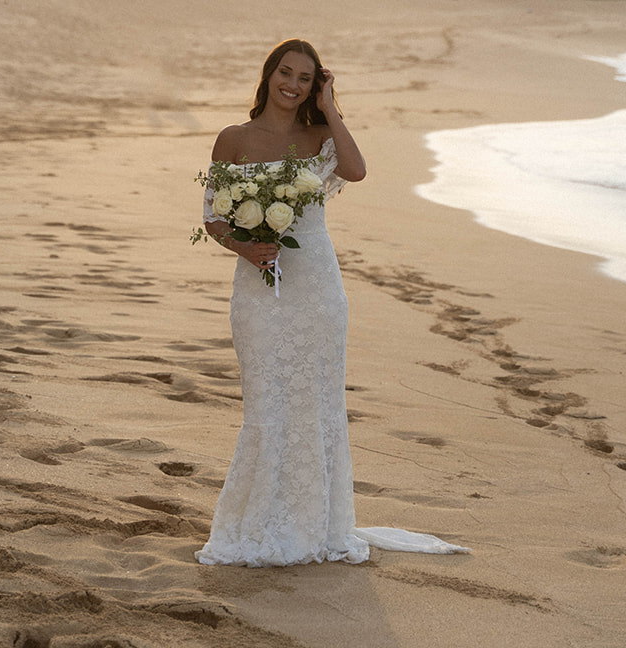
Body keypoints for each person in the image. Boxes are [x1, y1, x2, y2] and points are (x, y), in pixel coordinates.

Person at [196, 38, 467, 566]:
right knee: (266, 402)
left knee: (316, 403)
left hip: (315, 283)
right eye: (285, 73)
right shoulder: (233, 138)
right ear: (268, 74)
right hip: (258, 284)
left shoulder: (320, 136)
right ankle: (256, 523)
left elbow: (357, 169)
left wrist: (330, 107)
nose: (292, 84)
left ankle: (312, 524)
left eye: (305, 78)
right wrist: (244, 247)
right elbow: (211, 216)